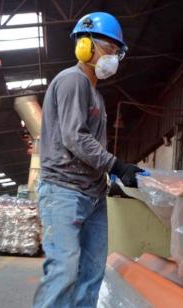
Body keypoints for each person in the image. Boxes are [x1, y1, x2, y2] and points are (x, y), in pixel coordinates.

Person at [33, 12, 145, 308]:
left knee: (92, 273)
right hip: (64, 190)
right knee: (64, 271)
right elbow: (75, 137)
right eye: (108, 49)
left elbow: (90, 146)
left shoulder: (95, 94)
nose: (113, 58)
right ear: (85, 46)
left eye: (117, 52)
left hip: (93, 195)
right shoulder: (73, 82)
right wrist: (117, 166)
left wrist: (110, 178)